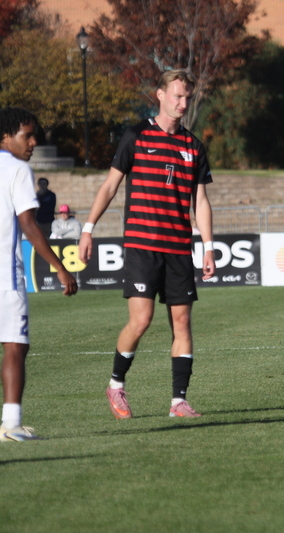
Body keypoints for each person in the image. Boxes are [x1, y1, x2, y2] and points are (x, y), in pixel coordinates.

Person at [78, 70, 216, 419]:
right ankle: (115, 385)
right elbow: (109, 186)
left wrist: (209, 245)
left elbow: (200, 201)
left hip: (179, 248)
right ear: (160, 95)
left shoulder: (193, 147)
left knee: (182, 322)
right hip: (142, 245)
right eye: (177, 96)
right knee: (141, 320)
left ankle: (178, 402)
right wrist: (88, 228)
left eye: (187, 97)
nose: (183, 103)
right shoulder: (136, 135)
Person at [0, 107, 77, 441]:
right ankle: (11, 425)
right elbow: (29, 224)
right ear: (6, 136)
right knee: (16, 346)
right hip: (5, 276)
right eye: (26, 135)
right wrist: (60, 268)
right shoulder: (17, 169)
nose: (33, 142)